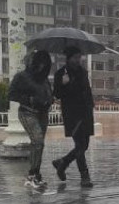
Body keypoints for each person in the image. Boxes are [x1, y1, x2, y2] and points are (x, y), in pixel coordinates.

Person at [8, 50, 54, 191]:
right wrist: (29, 99)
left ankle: (36, 174)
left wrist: (49, 100)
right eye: (39, 62)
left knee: (39, 144)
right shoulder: (22, 77)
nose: (42, 66)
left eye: (45, 63)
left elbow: (49, 93)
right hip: (27, 113)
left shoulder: (44, 79)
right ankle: (32, 175)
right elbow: (12, 94)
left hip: (43, 113)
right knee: (37, 140)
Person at [52, 46, 95, 187]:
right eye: (75, 57)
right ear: (68, 58)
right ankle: (84, 176)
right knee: (79, 145)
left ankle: (62, 162)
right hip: (72, 114)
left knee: (85, 145)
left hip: (86, 113)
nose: (78, 60)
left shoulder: (83, 72)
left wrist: (90, 106)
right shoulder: (61, 74)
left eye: (79, 57)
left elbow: (87, 91)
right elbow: (57, 94)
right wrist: (64, 84)